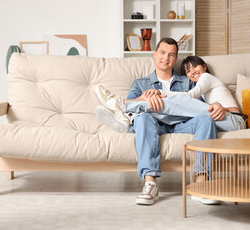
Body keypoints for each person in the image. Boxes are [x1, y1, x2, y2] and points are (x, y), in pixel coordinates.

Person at [95, 38, 224, 205]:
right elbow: (132, 106)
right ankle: (150, 183)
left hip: (181, 124)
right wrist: (143, 98)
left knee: (206, 119)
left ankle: (202, 182)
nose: (166, 58)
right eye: (162, 53)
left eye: (171, 55)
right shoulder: (141, 83)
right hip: (154, 124)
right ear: (155, 55)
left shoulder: (188, 82)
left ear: (176, 59)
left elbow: (198, 106)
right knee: (142, 117)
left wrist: (217, 105)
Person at [94, 55, 247, 133]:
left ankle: (123, 105)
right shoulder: (204, 85)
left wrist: (160, 92)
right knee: (163, 107)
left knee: (168, 100)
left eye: (195, 67)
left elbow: (189, 97)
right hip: (221, 120)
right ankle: (128, 117)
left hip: (235, 121)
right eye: (188, 71)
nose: (192, 72)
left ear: (204, 66)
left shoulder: (206, 78)